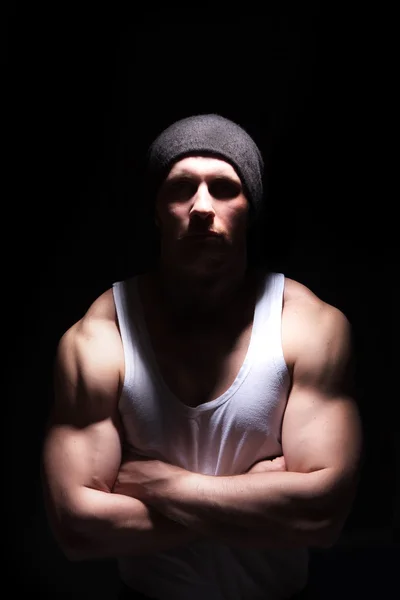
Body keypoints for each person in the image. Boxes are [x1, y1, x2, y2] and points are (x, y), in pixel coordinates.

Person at [41, 114, 364, 600]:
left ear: (250, 208)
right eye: (181, 188)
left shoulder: (310, 326)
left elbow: (320, 517)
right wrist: (256, 502)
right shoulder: (99, 336)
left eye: (224, 188)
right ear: (156, 210)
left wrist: (158, 485)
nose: (201, 207)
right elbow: (76, 529)